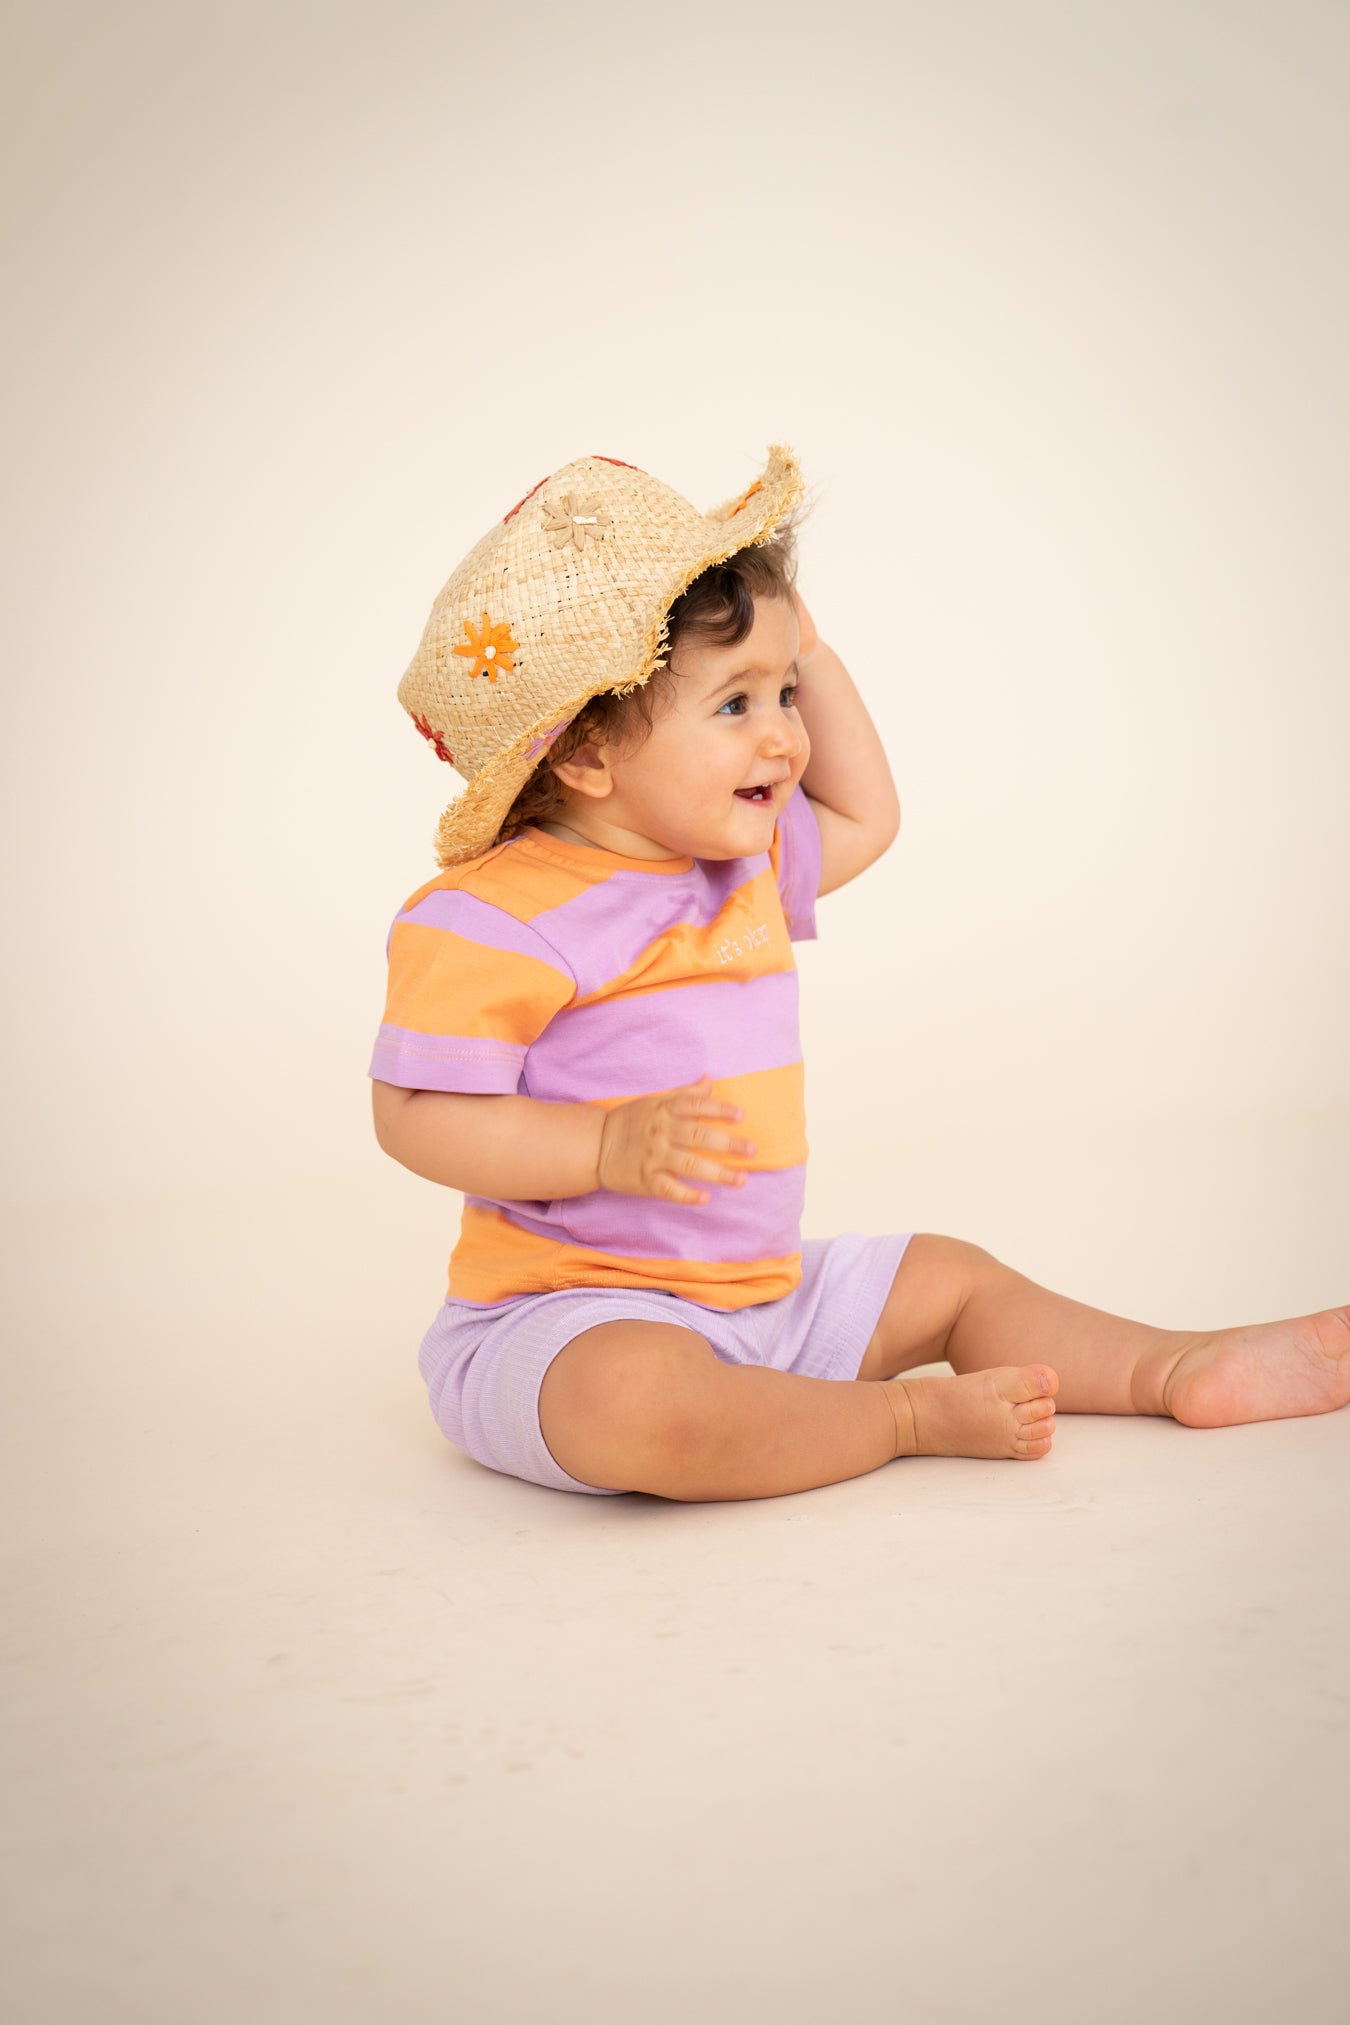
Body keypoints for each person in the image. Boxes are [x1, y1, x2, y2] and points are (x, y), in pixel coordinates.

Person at [369, 445, 1350, 1502]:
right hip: (570, 1316)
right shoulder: (494, 915)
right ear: (587, 752)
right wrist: (601, 1144)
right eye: (737, 705)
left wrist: (812, 647)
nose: (788, 740)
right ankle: (899, 1417)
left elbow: (867, 816)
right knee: (631, 1404)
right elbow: (416, 1113)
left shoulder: (736, 867)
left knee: (951, 1275)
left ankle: (1171, 1367)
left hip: (766, 1298)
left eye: (785, 692)